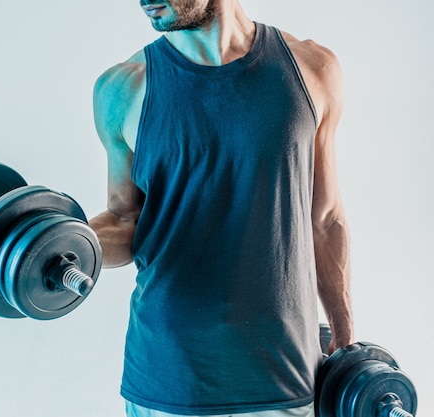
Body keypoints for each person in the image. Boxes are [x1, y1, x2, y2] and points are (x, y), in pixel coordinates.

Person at [88, 1, 354, 416]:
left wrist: (345, 334)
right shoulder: (122, 89)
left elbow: (325, 218)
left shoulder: (312, 69)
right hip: (169, 378)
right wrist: (50, 237)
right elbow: (125, 220)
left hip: (283, 375)